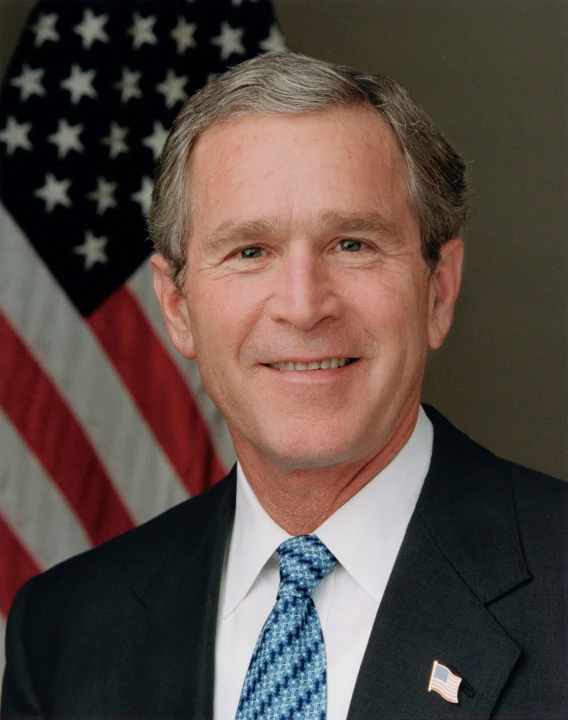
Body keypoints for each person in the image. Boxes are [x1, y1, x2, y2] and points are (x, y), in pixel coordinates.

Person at [2, 52, 566, 720]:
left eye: (352, 244)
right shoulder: (64, 633)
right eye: (249, 251)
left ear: (438, 290)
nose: (303, 306)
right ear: (178, 307)